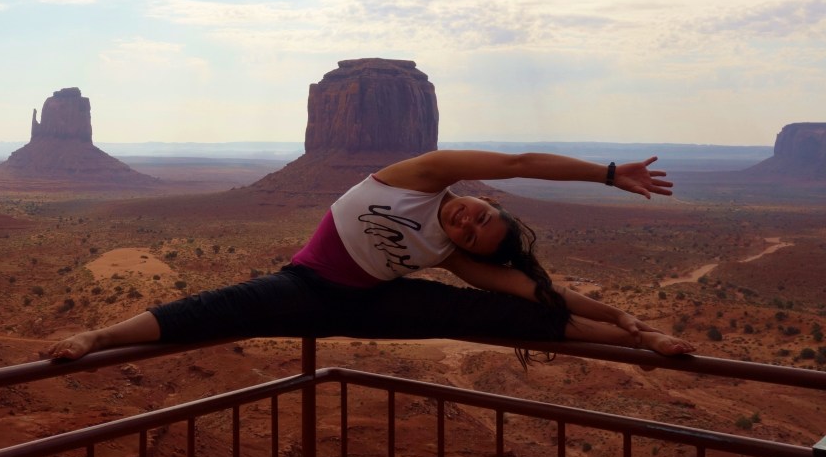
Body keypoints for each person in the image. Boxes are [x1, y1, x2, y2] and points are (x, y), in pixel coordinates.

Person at [45, 150, 696, 361]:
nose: (468, 225)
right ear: (480, 198)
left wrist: (629, 320)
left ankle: (642, 342)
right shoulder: (422, 174)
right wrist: (608, 174)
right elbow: (520, 162)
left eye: (473, 236)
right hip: (308, 285)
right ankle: (96, 335)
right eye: (480, 215)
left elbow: (527, 290)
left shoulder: (447, 249)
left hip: (377, 301)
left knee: (502, 313)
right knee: (220, 308)